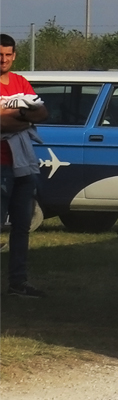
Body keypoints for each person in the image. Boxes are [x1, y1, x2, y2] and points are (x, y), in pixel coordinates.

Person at [1, 33, 48, 297]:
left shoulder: (20, 81)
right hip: (1, 164)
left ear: (15, 55)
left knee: (21, 226)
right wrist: (25, 115)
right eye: (0, 55)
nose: (4, 60)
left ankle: (18, 282)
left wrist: (15, 114)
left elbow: (42, 111)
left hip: (23, 165)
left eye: (8, 55)